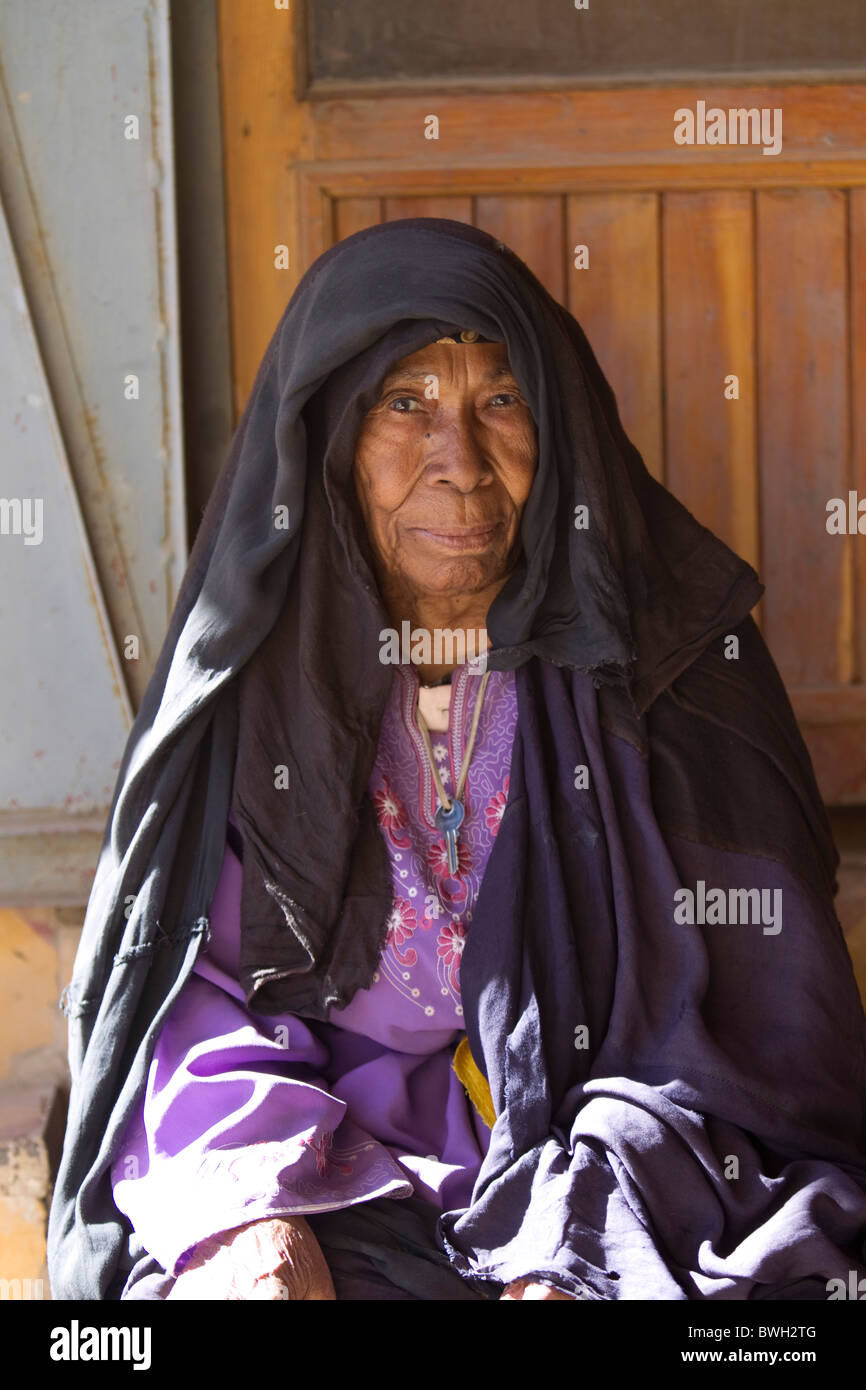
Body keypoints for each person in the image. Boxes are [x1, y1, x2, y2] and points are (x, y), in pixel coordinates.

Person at [48, 218, 866, 1302]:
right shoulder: (255, 682)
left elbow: (746, 1041)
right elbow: (188, 999)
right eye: (405, 405)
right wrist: (253, 1211)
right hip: (331, 1162)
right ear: (329, 438)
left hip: (621, 1164)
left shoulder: (676, 665)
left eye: (499, 399)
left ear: (557, 426)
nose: (462, 464)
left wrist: (576, 1240)